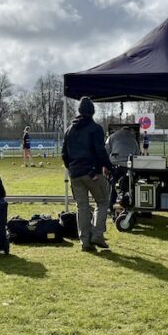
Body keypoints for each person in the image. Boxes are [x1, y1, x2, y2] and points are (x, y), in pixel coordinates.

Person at [62, 97, 114, 252]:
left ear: (79, 111)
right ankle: (97, 234)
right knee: (103, 201)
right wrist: (108, 166)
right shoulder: (95, 128)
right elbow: (100, 151)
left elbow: (64, 153)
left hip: (75, 172)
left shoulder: (69, 130)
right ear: (92, 112)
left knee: (82, 207)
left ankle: (85, 241)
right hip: (91, 171)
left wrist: (71, 168)